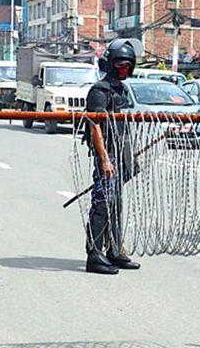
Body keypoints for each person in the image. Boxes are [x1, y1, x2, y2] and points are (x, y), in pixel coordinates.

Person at [85, 39, 141, 275]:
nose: (124, 69)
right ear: (109, 64)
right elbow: (94, 125)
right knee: (102, 204)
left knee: (116, 203)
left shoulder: (122, 89)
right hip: (106, 153)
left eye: (128, 65)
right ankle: (95, 255)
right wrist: (105, 159)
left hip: (121, 151)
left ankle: (115, 251)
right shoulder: (100, 90)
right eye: (120, 65)